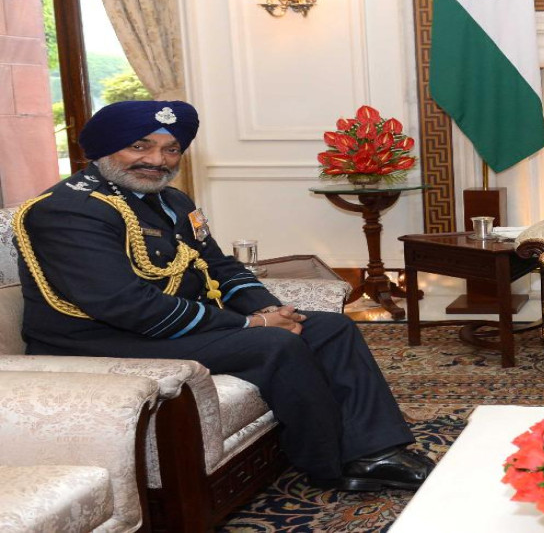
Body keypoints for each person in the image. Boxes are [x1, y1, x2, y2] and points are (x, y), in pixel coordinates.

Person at [14, 100, 433, 492]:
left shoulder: (171, 200)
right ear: (105, 148)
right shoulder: (68, 209)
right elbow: (127, 306)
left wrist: (268, 307)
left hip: (157, 326)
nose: (158, 160)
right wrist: (252, 324)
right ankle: (331, 464)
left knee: (331, 327)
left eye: (171, 149)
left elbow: (218, 265)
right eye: (139, 146)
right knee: (275, 344)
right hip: (99, 340)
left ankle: (374, 451)